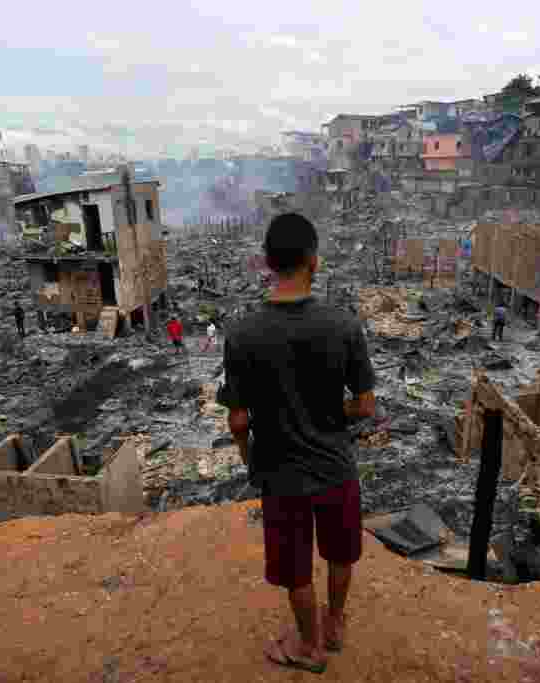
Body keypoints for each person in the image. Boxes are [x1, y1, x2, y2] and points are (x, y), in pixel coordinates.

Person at [222, 213, 376, 674]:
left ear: (266, 262)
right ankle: (334, 625)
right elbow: (365, 405)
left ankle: (308, 647)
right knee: (339, 552)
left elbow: (237, 420)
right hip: (335, 467)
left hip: (281, 472)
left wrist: (252, 462)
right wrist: (330, 414)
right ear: (314, 261)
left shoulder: (243, 334)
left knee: (296, 568)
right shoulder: (343, 326)